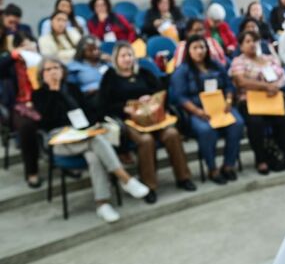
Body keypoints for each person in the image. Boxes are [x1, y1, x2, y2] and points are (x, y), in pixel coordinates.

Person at [33, 58, 150, 223]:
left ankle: (102, 204)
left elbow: (88, 111)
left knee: (94, 155)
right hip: (59, 139)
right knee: (95, 140)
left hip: (82, 134)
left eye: (56, 67)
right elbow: (47, 120)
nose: (53, 71)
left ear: (62, 70)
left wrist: (91, 124)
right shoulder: (39, 95)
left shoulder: (72, 89)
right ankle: (125, 178)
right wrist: (54, 91)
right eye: (48, 69)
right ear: (41, 74)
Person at [98, 42, 195, 203]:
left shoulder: (144, 73)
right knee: (146, 141)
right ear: (116, 59)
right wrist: (125, 107)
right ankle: (149, 186)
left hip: (153, 116)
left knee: (172, 134)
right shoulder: (110, 77)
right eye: (123, 56)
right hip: (130, 120)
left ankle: (183, 177)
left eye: (129, 55)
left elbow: (160, 92)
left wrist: (151, 99)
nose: (127, 59)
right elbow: (103, 105)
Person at [171, 35, 244, 185]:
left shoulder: (216, 65)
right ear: (188, 51)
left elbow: (229, 86)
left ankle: (228, 165)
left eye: (202, 47)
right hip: (197, 111)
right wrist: (198, 112)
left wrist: (229, 100)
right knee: (206, 131)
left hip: (221, 108)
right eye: (195, 48)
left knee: (237, 123)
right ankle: (212, 169)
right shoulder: (182, 71)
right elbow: (180, 97)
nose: (199, 51)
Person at [230, 30, 285, 173]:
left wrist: (276, 86)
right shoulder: (238, 61)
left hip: (273, 97)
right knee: (255, 122)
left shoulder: (269, 59)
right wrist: (265, 86)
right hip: (250, 100)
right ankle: (261, 159)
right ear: (241, 46)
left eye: (255, 41)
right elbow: (241, 82)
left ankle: (284, 153)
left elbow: (283, 75)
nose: (252, 44)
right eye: (248, 41)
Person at [0, 22, 41, 188]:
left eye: (29, 44)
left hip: (41, 101)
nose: (27, 48)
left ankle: (63, 160)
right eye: (22, 46)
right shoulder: (10, 64)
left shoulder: (41, 62)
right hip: (19, 105)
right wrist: (13, 56)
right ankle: (32, 171)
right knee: (26, 128)